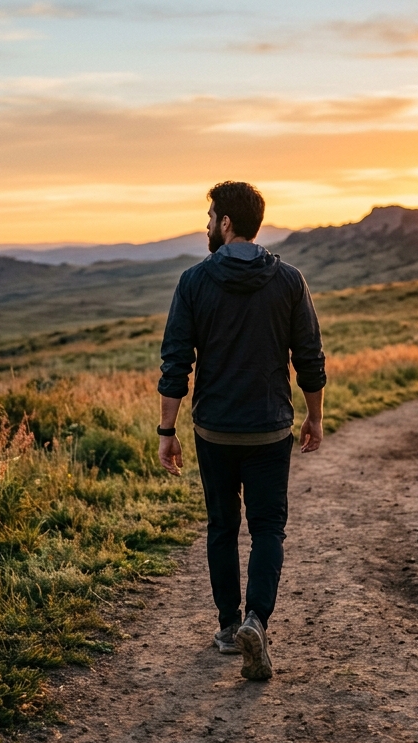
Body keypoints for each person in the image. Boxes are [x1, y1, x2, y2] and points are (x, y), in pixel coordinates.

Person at [156, 180, 327, 682]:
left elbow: (175, 363)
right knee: (269, 526)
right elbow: (310, 359)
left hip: (214, 432)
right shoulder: (290, 280)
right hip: (270, 431)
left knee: (223, 526)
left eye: (211, 216)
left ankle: (230, 627)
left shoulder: (193, 281)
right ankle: (258, 619)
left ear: (226, 222)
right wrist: (314, 416)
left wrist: (167, 430)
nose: (207, 224)